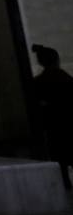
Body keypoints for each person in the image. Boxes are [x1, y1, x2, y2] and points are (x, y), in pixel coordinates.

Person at [31, 44, 73, 188]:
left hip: (52, 128)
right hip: (68, 125)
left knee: (60, 161)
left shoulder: (37, 83)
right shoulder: (67, 79)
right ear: (57, 60)